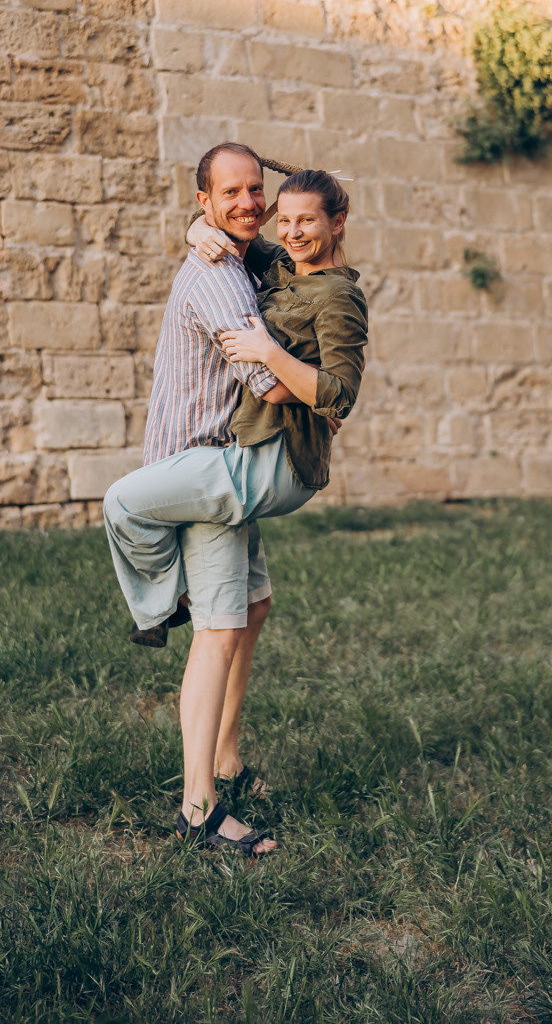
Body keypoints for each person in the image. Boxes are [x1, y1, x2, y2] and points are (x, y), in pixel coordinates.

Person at [103, 145, 367, 857]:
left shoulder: (255, 261)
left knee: (252, 609)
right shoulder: (222, 274)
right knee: (215, 625)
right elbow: (264, 385)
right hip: (207, 461)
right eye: (235, 194)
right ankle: (199, 809)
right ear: (204, 201)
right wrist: (308, 390)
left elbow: (309, 364)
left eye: (260, 191)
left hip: (227, 456)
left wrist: (314, 390)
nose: (253, 205)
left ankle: (223, 757)